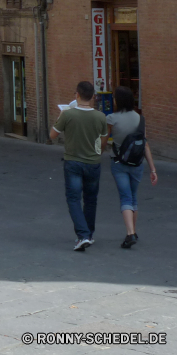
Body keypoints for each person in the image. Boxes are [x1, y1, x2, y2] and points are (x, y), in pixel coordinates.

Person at [49, 81, 109, 252]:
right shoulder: (100, 117)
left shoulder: (68, 115)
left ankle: (82, 235)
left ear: (77, 94)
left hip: (73, 161)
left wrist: (61, 115)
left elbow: (52, 135)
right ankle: (88, 234)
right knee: (91, 200)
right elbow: (104, 139)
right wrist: (99, 152)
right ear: (93, 97)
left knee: (73, 198)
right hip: (93, 162)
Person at [106, 86, 158, 248]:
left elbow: (104, 138)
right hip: (137, 164)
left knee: (125, 197)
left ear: (118, 100)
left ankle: (130, 234)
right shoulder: (139, 119)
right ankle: (133, 230)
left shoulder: (111, 119)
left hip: (119, 163)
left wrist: (98, 150)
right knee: (133, 196)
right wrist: (153, 169)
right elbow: (145, 145)